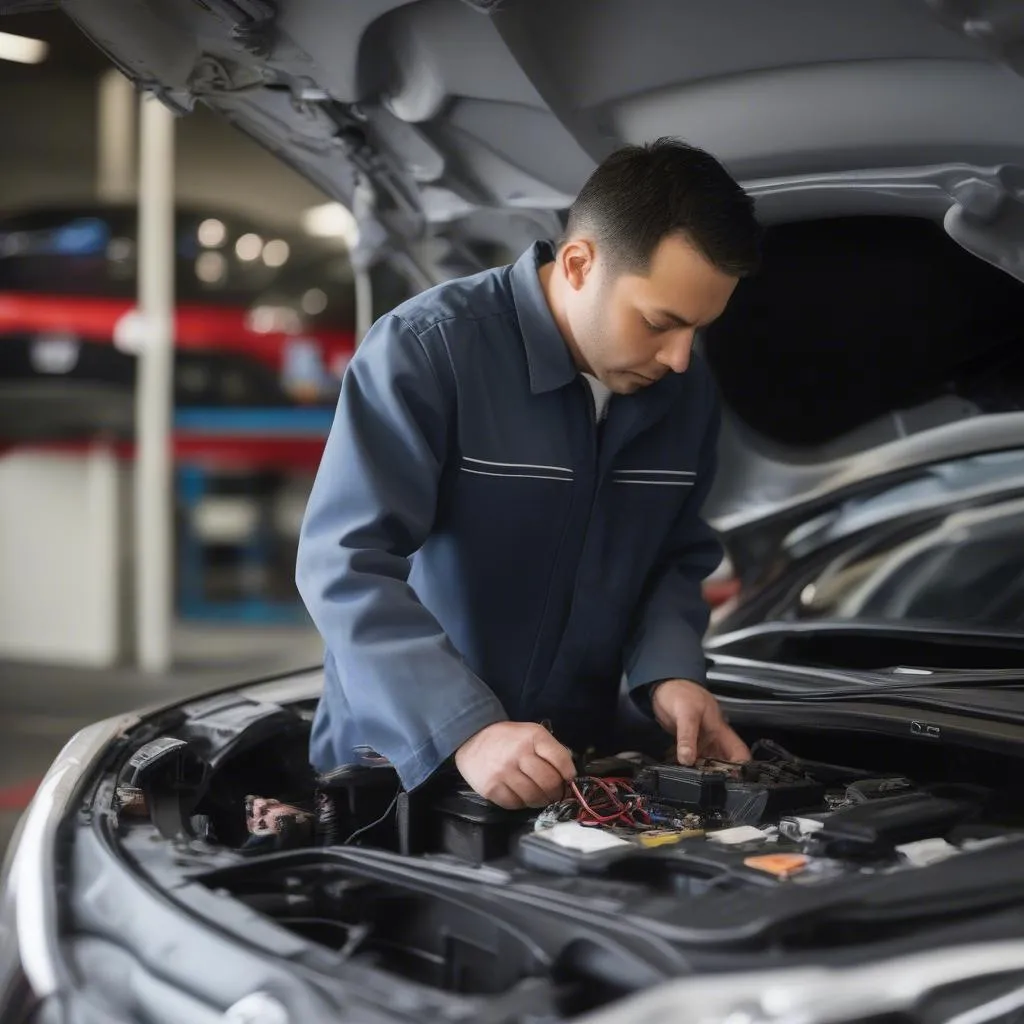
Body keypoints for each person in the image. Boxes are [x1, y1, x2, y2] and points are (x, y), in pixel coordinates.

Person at [297, 138, 762, 810]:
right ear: (578, 263)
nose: (682, 358)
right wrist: (467, 730)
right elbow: (343, 565)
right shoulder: (429, 352)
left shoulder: (684, 393)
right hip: (397, 772)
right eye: (661, 322)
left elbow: (676, 559)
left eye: (699, 329)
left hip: (577, 773)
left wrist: (669, 675)